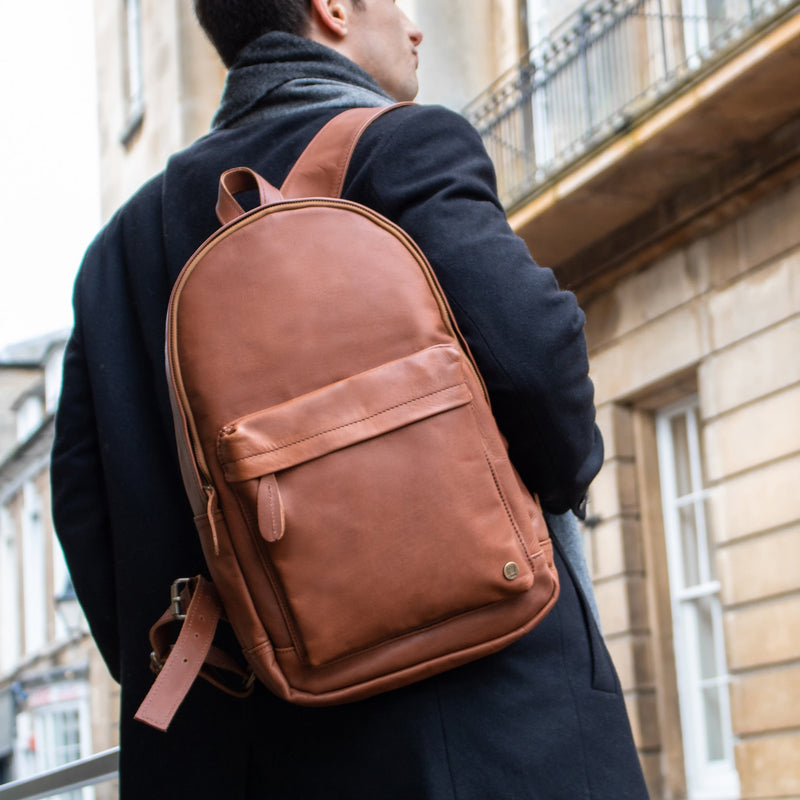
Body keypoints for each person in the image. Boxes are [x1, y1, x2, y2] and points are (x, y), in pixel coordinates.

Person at [51, 1, 650, 797]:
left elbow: (86, 515)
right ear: (332, 8)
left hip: (228, 756)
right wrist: (563, 485)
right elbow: (534, 362)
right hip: (472, 731)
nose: (415, 27)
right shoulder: (402, 148)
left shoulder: (112, 260)